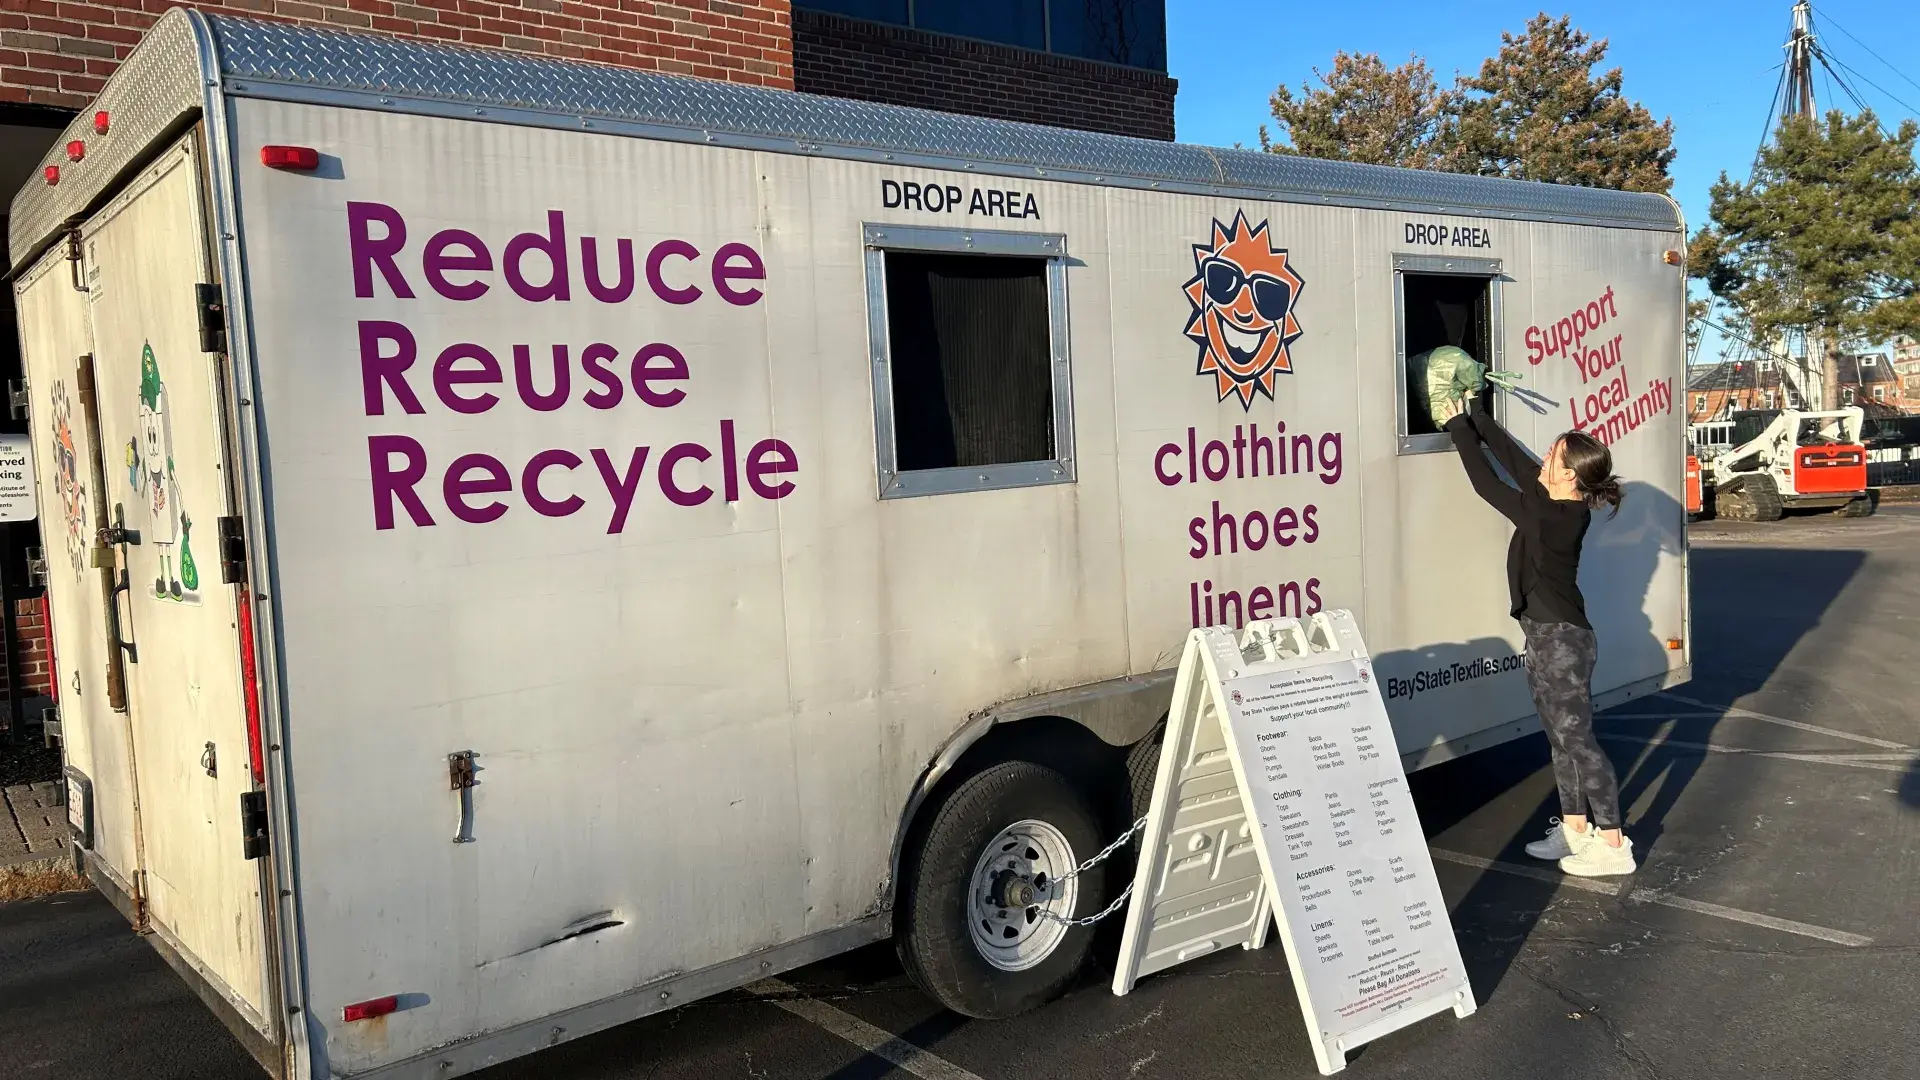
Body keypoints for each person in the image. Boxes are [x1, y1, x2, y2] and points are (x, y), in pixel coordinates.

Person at [1437, 398, 1635, 877]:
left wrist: (1456, 428)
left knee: (1578, 740)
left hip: (1563, 642)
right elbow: (1519, 464)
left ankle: (1612, 844)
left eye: (1553, 456)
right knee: (1560, 739)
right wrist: (1478, 417)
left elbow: (1488, 484)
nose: (1543, 457)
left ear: (1568, 476)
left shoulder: (1554, 518)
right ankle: (1574, 831)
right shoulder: (1556, 503)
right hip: (1546, 635)